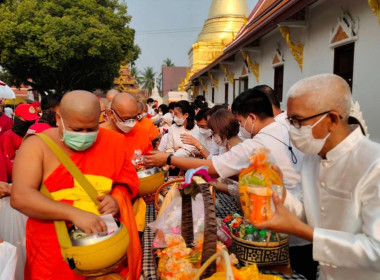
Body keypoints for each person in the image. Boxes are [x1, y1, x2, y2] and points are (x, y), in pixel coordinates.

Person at [255, 74, 380, 280]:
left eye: (297, 121)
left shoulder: (373, 164)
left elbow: (376, 251)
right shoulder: (313, 157)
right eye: (289, 120)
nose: (292, 129)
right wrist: (281, 194)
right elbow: (309, 211)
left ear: (331, 119)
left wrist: (306, 233)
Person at [11, 90, 141, 280]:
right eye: (76, 129)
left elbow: (127, 181)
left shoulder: (113, 142)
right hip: (52, 253)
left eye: (91, 129)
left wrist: (116, 198)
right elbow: (21, 197)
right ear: (58, 119)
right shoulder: (37, 146)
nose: (84, 135)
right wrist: (73, 213)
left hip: (104, 248)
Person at [145, 89, 301, 194]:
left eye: (240, 122)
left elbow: (212, 167)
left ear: (252, 117)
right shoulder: (288, 130)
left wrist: (168, 158)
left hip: (282, 220)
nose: (240, 127)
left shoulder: (255, 144)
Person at [101, 93, 153, 158]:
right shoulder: (98, 135)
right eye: (126, 118)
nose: (130, 123)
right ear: (111, 114)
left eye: (134, 118)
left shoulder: (142, 133)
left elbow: (148, 160)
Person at [0, 104, 39, 175]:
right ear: (17, 117)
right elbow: (8, 164)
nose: (30, 122)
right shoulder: (8, 136)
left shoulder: (33, 134)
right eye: (26, 120)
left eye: (32, 120)